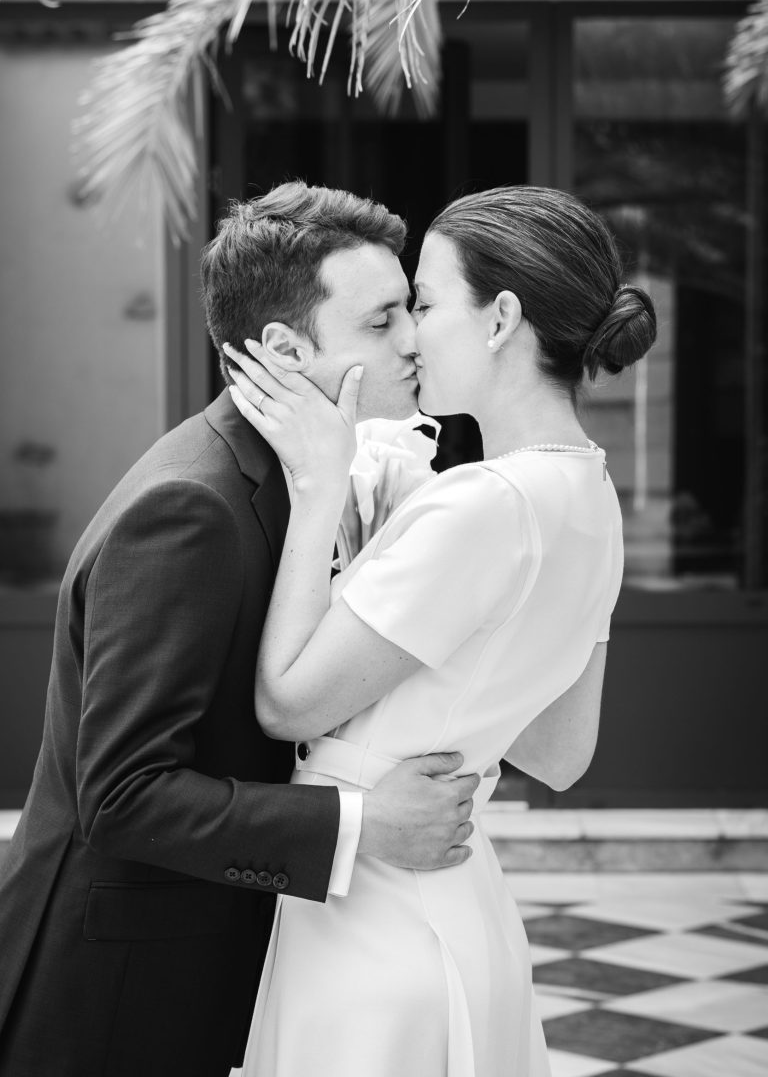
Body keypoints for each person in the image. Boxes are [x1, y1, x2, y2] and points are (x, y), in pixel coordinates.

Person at [0, 183, 479, 1077]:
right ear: (285, 351)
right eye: (381, 323)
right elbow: (123, 794)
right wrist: (363, 824)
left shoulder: (305, 474)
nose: (413, 339)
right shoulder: (191, 508)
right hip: (117, 992)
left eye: (409, 309)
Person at [224, 184, 657, 1077]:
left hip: (374, 922)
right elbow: (561, 751)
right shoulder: (590, 492)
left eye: (423, 302)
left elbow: (286, 704)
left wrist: (318, 495)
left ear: (501, 318)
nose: (413, 335)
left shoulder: (484, 503)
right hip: (459, 900)